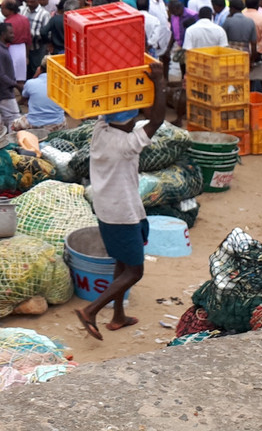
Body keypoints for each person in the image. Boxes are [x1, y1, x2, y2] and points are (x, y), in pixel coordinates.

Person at [77, 62, 166, 340]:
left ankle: (118, 315)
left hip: (107, 210)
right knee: (135, 271)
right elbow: (158, 120)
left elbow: (107, 112)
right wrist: (159, 81)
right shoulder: (127, 144)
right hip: (123, 214)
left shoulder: (100, 131)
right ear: (129, 120)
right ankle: (91, 311)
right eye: (134, 116)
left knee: (122, 262)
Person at [13, 57, 67, 138]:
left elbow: (24, 96)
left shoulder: (31, 83)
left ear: (40, 69)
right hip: (57, 124)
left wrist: (35, 76)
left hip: (35, 124)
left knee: (14, 124)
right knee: (63, 119)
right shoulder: (63, 84)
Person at [0, 21, 22, 126]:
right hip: (2, 93)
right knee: (15, 121)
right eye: (11, 33)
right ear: (3, 34)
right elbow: (1, 75)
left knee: (4, 121)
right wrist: (16, 85)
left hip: (1, 91)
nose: (13, 35)